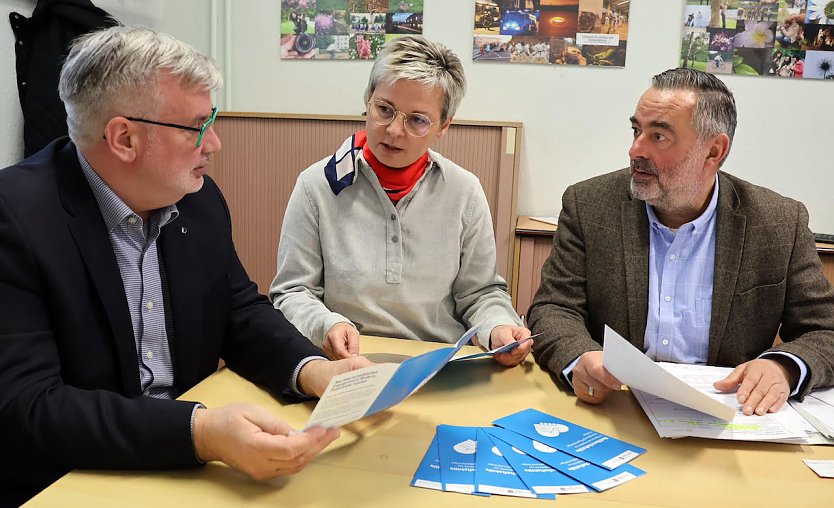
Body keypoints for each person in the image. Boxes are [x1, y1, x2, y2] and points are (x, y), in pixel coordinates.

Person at [0, 26, 371, 506]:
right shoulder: (15, 217)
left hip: (189, 468)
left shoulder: (196, 199)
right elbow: (27, 408)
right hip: (69, 480)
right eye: (198, 125)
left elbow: (238, 310)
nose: (214, 142)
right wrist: (200, 432)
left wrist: (311, 369)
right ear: (124, 138)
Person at [529, 68, 834, 418]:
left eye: (658, 136)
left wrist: (784, 367)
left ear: (714, 150)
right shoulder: (590, 204)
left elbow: (825, 330)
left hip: (726, 414)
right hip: (615, 408)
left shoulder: (778, 222)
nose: (635, 150)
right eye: (636, 130)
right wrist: (579, 357)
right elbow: (554, 307)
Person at [270, 35, 531, 366]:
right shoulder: (316, 185)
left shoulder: (464, 191)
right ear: (368, 101)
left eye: (417, 120)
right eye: (384, 110)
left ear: (443, 126)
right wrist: (327, 324)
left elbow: (480, 293)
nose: (394, 130)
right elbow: (292, 292)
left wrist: (498, 329)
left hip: (437, 366)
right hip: (345, 365)